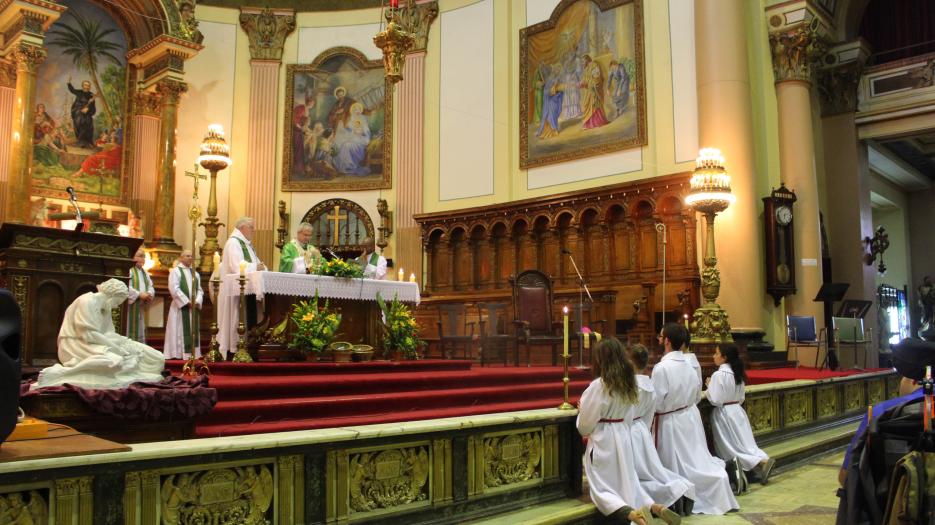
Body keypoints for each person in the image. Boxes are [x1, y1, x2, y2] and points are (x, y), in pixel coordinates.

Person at [578, 338, 682, 525]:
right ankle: (655, 507)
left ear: (600, 360)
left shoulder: (599, 385)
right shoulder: (629, 384)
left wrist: (581, 410)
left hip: (604, 441)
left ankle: (633, 515)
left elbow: (585, 426)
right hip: (624, 437)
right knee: (628, 483)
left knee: (603, 490)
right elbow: (630, 416)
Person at [652, 323, 738, 515]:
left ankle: (683, 494)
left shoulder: (661, 368)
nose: (658, 339)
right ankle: (721, 472)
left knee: (680, 465)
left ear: (667, 341)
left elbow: (656, 402)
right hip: (688, 417)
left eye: (660, 336)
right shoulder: (690, 364)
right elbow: (697, 395)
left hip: (670, 422)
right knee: (693, 459)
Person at [35, 279, 165, 389]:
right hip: (77, 344)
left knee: (156, 358)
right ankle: (63, 373)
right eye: (117, 302)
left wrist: (126, 343)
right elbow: (88, 334)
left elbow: (109, 333)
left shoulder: (105, 306)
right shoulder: (87, 301)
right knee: (115, 361)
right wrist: (117, 348)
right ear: (111, 295)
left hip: (99, 343)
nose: (116, 307)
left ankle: (126, 366)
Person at [626, 343, 696, 514]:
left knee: (635, 476)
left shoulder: (628, 386)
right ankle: (680, 490)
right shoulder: (649, 385)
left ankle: (673, 494)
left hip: (628, 432)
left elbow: (622, 413)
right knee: (652, 473)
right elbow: (649, 415)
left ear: (629, 362)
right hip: (642, 431)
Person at [706, 345, 774, 491]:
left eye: (716, 353)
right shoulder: (737, 373)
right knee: (745, 444)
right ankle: (763, 459)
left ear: (724, 357)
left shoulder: (719, 375)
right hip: (737, 411)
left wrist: (710, 385)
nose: (713, 356)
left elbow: (716, 399)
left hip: (724, 414)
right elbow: (741, 397)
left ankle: (756, 465)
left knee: (730, 447)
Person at [218, 217, 267, 357]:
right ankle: (234, 349)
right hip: (236, 290)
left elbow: (257, 263)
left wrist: (262, 268)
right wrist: (255, 267)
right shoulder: (233, 243)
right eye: (251, 227)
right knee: (236, 318)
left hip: (247, 288)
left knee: (247, 317)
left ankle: (247, 347)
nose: (253, 230)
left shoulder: (247, 245)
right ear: (242, 228)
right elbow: (235, 266)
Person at [164, 250, 203, 359]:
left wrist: (197, 301)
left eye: (192, 256)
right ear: (181, 258)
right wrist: (186, 301)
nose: (190, 258)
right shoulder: (175, 271)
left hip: (193, 307)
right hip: (179, 308)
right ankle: (177, 353)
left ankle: (192, 354)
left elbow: (200, 290)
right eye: (187, 256)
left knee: (192, 329)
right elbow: (174, 288)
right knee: (178, 329)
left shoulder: (196, 273)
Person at [127, 248, 154, 343]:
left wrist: (149, 294)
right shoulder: (129, 270)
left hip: (140, 306)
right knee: (129, 328)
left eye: (144, 256)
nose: (142, 259)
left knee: (140, 329)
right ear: (133, 257)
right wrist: (139, 294)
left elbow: (150, 286)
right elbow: (126, 286)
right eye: (140, 256)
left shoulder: (145, 273)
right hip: (130, 307)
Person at [579, 54, 609, 130]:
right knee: (586, 105)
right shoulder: (586, 69)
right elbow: (585, 79)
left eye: (583, 61)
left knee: (594, 105)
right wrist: (582, 83)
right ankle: (589, 123)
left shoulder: (594, 65)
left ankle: (598, 122)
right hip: (588, 91)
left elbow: (597, 78)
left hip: (594, 90)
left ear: (587, 60)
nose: (582, 63)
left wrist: (590, 83)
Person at [67, 79, 96, 148]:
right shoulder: (79, 92)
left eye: (88, 85)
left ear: (90, 87)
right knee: (80, 120)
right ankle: (81, 141)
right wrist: (69, 83)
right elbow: (72, 90)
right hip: (77, 111)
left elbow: (93, 108)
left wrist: (88, 109)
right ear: (83, 86)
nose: (87, 87)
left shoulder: (91, 95)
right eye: (85, 85)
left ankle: (87, 142)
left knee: (88, 122)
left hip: (87, 113)